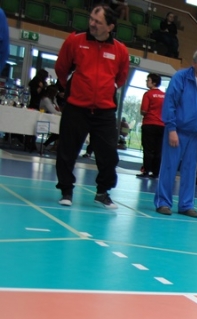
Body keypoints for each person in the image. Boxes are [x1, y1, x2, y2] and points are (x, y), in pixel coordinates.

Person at [54, 5, 129, 209]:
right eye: (92, 19)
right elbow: (61, 68)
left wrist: (108, 89)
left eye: (98, 22)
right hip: (76, 108)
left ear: (110, 27)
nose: (92, 24)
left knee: (109, 155)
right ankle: (66, 190)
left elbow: (121, 77)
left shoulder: (120, 50)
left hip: (104, 111)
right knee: (67, 151)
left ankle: (102, 192)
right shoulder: (75, 41)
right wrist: (72, 88)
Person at [154, 49, 197, 218]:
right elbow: (170, 103)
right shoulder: (180, 78)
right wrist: (172, 129)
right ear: (194, 64)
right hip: (177, 131)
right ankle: (163, 202)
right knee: (169, 167)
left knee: (190, 171)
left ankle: (186, 205)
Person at [137, 73, 165, 179]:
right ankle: (156, 172)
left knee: (148, 149)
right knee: (158, 150)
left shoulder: (148, 94)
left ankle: (146, 170)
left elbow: (144, 110)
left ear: (154, 82)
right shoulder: (165, 96)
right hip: (161, 125)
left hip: (149, 124)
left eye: (148, 80)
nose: (146, 82)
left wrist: (143, 112)